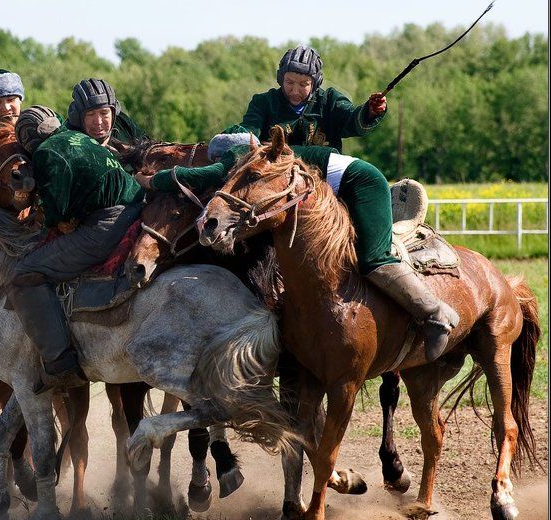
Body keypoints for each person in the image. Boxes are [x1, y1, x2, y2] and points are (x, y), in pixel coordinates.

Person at [136, 126, 458, 361]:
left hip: (360, 182)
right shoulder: (259, 157)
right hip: (331, 188)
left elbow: (205, 175)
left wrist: (154, 181)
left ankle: (435, 314)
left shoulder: (240, 156)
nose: (224, 172)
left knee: (372, 258)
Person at [12, 106, 146, 393]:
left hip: (106, 226)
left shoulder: (48, 152)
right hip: (134, 211)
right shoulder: (80, 137)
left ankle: (60, 364)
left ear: (27, 138)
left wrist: (48, 216)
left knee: (25, 273)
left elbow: (57, 213)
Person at [241, 45, 387, 152]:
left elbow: (351, 120)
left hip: (324, 174)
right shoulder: (263, 103)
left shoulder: (330, 101)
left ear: (315, 83)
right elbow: (248, 134)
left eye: (304, 84)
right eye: (289, 82)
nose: (295, 90)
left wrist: (370, 111)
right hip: (273, 173)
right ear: (280, 79)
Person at [65, 78, 148, 148]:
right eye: (90, 114)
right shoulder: (68, 139)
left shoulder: (122, 123)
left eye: (104, 113)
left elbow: (148, 146)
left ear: (113, 113)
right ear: (78, 118)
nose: (98, 122)